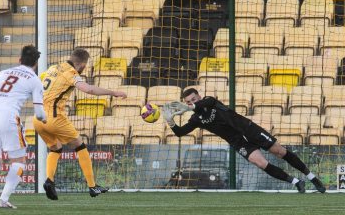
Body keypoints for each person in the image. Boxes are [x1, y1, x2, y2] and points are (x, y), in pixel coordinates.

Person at [162, 88, 326, 193]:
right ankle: (297, 182)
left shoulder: (210, 101)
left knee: (280, 152)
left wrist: (189, 107)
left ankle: (312, 177)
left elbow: (208, 102)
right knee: (261, 163)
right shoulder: (196, 119)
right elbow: (180, 133)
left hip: (249, 129)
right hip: (238, 141)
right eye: (188, 102)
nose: (192, 103)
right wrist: (170, 121)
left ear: (199, 96)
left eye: (193, 99)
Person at [33, 48, 127, 200]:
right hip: (54, 118)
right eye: (85, 65)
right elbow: (89, 89)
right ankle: (92, 186)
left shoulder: (53, 68)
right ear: (82, 64)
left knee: (55, 148)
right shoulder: (72, 74)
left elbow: (37, 84)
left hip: (37, 119)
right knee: (80, 146)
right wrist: (113, 92)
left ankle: (49, 181)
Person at [0, 45, 47, 209]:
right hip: (8, 117)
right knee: (19, 161)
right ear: (36, 64)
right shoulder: (35, 80)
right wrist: (45, 119)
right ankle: (3, 200)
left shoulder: (5, 72)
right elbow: (39, 114)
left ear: (19, 60)